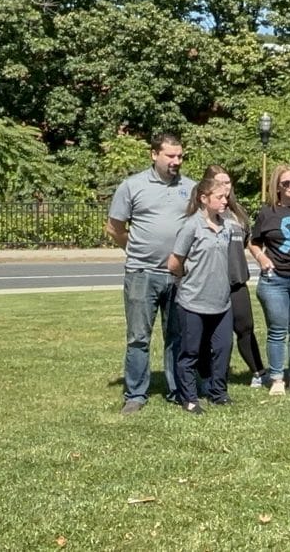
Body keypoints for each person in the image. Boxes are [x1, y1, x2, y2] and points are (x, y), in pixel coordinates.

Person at [106, 133, 195, 414]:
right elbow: (114, 228)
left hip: (179, 276)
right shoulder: (132, 186)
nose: (176, 161)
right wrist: (136, 251)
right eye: (170, 156)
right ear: (154, 154)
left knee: (178, 337)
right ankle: (135, 394)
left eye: (180, 156)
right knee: (138, 337)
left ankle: (177, 390)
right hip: (142, 274)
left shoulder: (191, 188)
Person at [168, 177, 234, 414]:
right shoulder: (191, 226)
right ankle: (190, 399)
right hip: (193, 301)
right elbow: (174, 262)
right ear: (204, 199)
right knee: (190, 352)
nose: (225, 200)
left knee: (224, 347)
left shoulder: (226, 225)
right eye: (219, 197)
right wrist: (186, 278)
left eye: (225, 196)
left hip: (222, 302)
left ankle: (218, 393)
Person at [249, 164, 290, 396]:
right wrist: (260, 258)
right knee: (277, 330)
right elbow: (254, 241)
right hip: (274, 279)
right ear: (277, 188)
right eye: (286, 183)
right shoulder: (268, 213)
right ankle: (276, 378)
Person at [202, 165, 267, 389]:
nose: (225, 187)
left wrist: (262, 258)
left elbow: (249, 241)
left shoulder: (237, 212)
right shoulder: (204, 213)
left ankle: (259, 372)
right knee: (212, 333)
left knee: (245, 327)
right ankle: (210, 375)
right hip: (212, 282)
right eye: (219, 183)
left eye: (228, 182)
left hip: (237, 280)